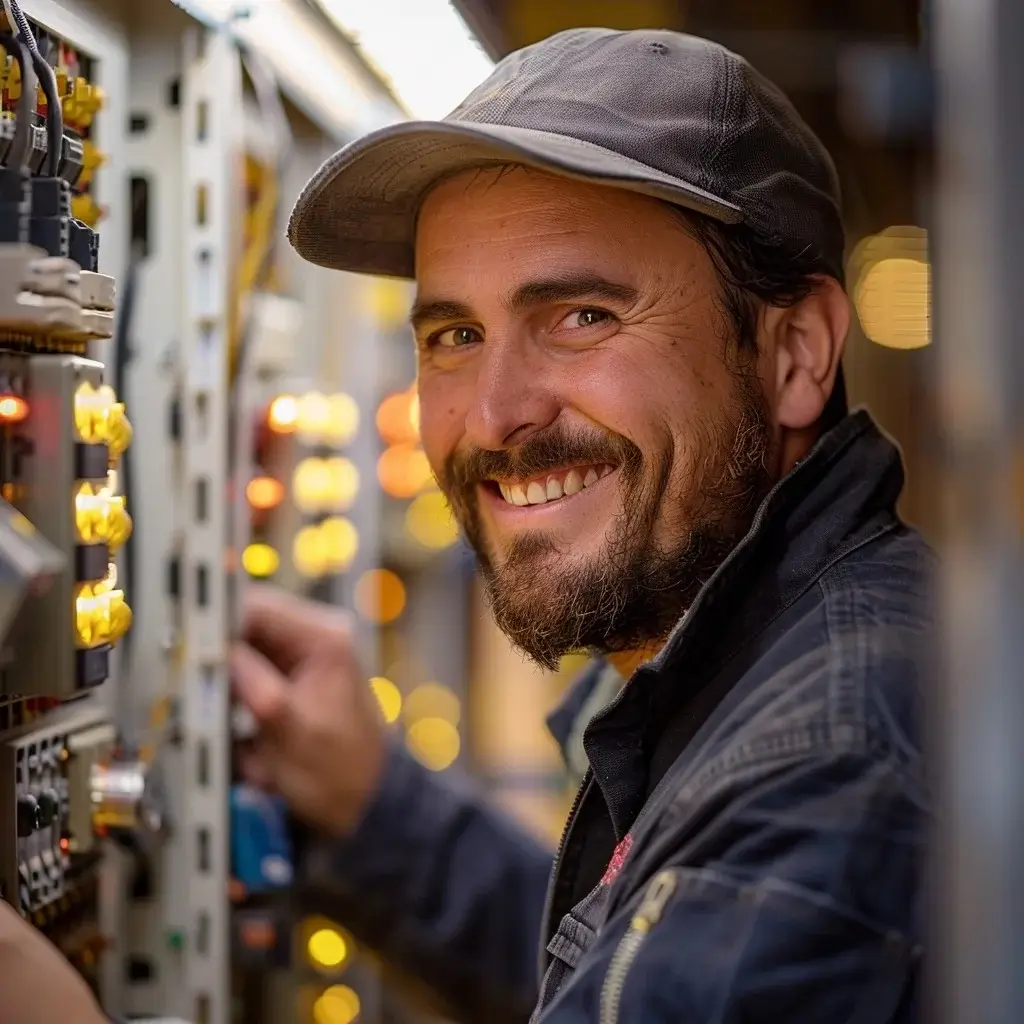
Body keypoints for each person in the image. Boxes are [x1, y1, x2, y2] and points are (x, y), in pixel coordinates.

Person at [232, 27, 932, 1024]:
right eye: (455, 335)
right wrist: (376, 805)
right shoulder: (773, 678)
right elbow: (632, 972)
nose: (493, 414)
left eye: (581, 316)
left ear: (794, 353)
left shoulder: (832, 762)